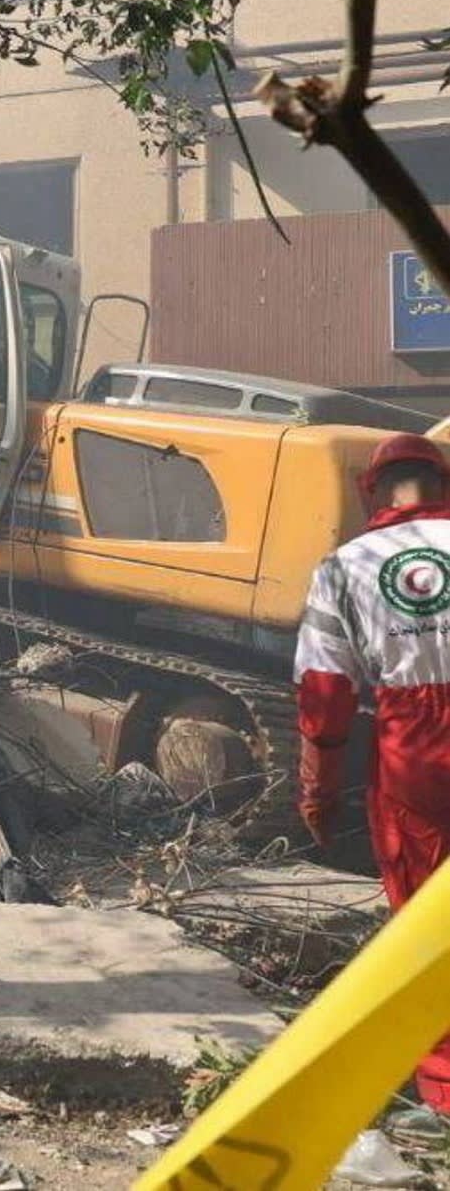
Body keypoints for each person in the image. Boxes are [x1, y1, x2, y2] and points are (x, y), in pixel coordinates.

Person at [297, 431, 450, 1111]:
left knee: (425, 919)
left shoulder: (342, 566)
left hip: (411, 746)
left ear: (372, 492)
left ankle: (444, 1090)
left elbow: (325, 690)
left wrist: (318, 792)